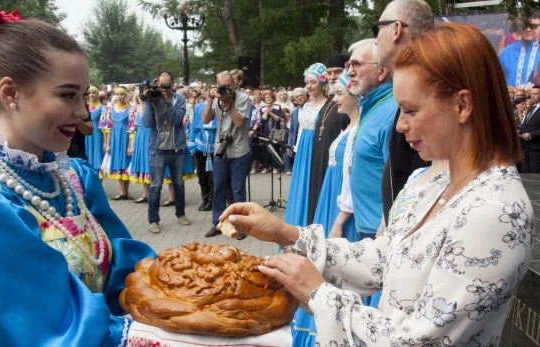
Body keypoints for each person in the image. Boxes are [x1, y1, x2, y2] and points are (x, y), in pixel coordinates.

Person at [219, 22, 530, 346]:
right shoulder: (436, 181)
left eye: (410, 110)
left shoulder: (494, 211)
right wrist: (286, 233)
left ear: (462, 105)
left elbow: (418, 341)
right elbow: (384, 260)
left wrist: (319, 294)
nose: (400, 124)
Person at [0, 8, 161, 345]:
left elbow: (128, 272)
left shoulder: (74, 176)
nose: (83, 111)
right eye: (67, 95)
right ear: (10, 93)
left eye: (84, 96)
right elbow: (48, 333)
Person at [291, 71, 361, 347]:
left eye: (341, 93)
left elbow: (355, 178)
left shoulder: (357, 131)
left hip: (338, 204)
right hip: (329, 199)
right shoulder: (349, 127)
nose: (335, 98)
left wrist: (341, 218)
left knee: (332, 268)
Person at [374, 0, 434, 226]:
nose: (401, 124)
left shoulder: (432, 82)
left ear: (396, 29)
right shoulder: (411, 81)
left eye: (377, 28)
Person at [347, 39, 397, 240]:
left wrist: (384, 231)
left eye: (357, 64)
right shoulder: (371, 105)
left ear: (382, 70)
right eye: (349, 65)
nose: (350, 71)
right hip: (365, 225)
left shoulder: (392, 111)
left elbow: (398, 178)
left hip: (379, 231)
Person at [202, 72, 252, 238]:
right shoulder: (216, 99)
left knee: (238, 190)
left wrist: (227, 103)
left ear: (235, 84)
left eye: (229, 85)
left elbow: (238, 122)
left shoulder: (243, 99)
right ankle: (218, 224)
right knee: (218, 189)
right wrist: (210, 99)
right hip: (221, 150)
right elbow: (204, 119)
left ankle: (240, 226)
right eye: (222, 85)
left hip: (239, 150)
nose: (226, 88)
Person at [142, 72, 191, 234]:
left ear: (173, 84)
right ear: (157, 83)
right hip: (157, 150)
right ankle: (153, 221)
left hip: (176, 149)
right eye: (161, 84)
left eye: (167, 85)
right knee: (155, 186)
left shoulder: (179, 99)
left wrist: (167, 102)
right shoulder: (152, 99)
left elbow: (177, 119)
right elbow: (148, 123)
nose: (164, 88)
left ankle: (181, 213)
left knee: (179, 184)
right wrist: (148, 102)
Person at [307, 54, 350, 224]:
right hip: (318, 165)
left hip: (333, 170)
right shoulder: (330, 101)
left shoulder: (347, 105)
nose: (332, 77)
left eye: (338, 72)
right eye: (330, 73)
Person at [284, 63, 329, 227]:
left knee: (312, 186)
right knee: (300, 188)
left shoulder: (328, 106)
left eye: (313, 82)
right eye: (307, 82)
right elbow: (301, 129)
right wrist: (295, 147)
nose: (309, 86)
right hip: (303, 150)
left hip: (315, 149)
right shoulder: (307, 106)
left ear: (323, 83)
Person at [188, 93, 216, 211]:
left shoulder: (221, 106)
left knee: (212, 177)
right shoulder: (199, 107)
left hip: (215, 144)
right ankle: (204, 198)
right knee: (201, 175)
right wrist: (192, 146)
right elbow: (193, 125)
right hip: (201, 144)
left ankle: (212, 200)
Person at [499, 11, 540, 87]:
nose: (528, 29)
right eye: (524, 25)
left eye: (533, 26)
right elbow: (495, 81)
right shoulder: (506, 52)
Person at [107, 87, 133, 200]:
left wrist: (130, 145)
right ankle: (122, 191)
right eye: (117, 94)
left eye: (122, 94)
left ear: (126, 96)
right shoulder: (110, 110)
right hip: (115, 139)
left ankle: (126, 191)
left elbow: (132, 128)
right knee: (118, 162)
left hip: (126, 138)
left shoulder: (131, 110)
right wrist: (107, 143)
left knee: (125, 163)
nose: (119, 97)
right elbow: (108, 128)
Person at [519, 85, 540, 173]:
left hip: (536, 149)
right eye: (532, 94)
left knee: (535, 177)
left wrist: (531, 135)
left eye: (535, 94)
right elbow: (526, 124)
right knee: (525, 175)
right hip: (525, 147)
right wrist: (519, 130)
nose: (532, 96)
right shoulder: (531, 108)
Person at [286, 88, 306, 175]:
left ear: (306, 96)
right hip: (297, 143)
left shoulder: (311, 109)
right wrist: (289, 145)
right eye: (297, 96)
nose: (299, 98)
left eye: (301, 95)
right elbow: (292, 130)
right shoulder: (294, 111)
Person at [85, 86, 105, 171]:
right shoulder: (84, 107)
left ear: (97, 95)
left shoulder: (103, 108)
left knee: (98, 157)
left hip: (97, 134)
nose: (91, 95)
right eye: (89, 93)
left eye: (94, 93)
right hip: (86, 135)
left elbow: (104, 125)